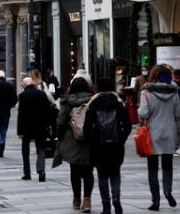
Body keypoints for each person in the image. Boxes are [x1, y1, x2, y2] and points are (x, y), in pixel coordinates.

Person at [83, 78, 132, 214]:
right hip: (116, 145)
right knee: (115, 173)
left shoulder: (93, 105)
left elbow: (86, 127)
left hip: (99, 145)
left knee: (102, 175)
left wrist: (91, 141)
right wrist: (121, 139)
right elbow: (127, 126)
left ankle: (106, 205)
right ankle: (116, 197)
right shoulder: (118, 104)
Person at [138, 65, 180, 211]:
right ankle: (168, 190)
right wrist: (177, 138)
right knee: (167, 166)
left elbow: (143, 114)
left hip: (152, 134)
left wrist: (140, 108)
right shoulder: (174, 93)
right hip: (169, 132)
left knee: (152, 169)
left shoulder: (146, 93)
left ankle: (155, 201)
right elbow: (178, 116)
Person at [57, 76, 95, 212]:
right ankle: (87, 200)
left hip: (72, 140)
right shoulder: (93, 100)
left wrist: (60, 137)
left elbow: (61, 122)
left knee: (75, 171)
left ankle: (76, 199)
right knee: (88, 171)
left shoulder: (67, 102)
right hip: (89, 140)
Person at [17, 77, 51, 183]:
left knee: (25, 149)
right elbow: (48, 110)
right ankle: (41, 171)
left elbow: (21, 114)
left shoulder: (23, 96)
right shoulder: (42, 94)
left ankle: (27, 173)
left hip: (27, 126)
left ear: (24, 85)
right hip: (41, 126)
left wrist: (20, 131)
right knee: (40, 148)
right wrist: (47, 124)